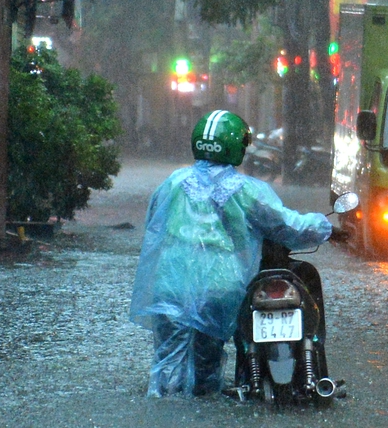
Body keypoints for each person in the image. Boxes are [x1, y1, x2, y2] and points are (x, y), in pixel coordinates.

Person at [132, 111, 334, 397]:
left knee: (168, 362)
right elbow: (287, 226)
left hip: (171, 284)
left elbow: (154, 226)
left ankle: (167, 410)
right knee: (207, 363)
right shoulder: (247, 190)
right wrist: (322, 226)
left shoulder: (173, 183)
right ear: (238, 146)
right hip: (220, 286)